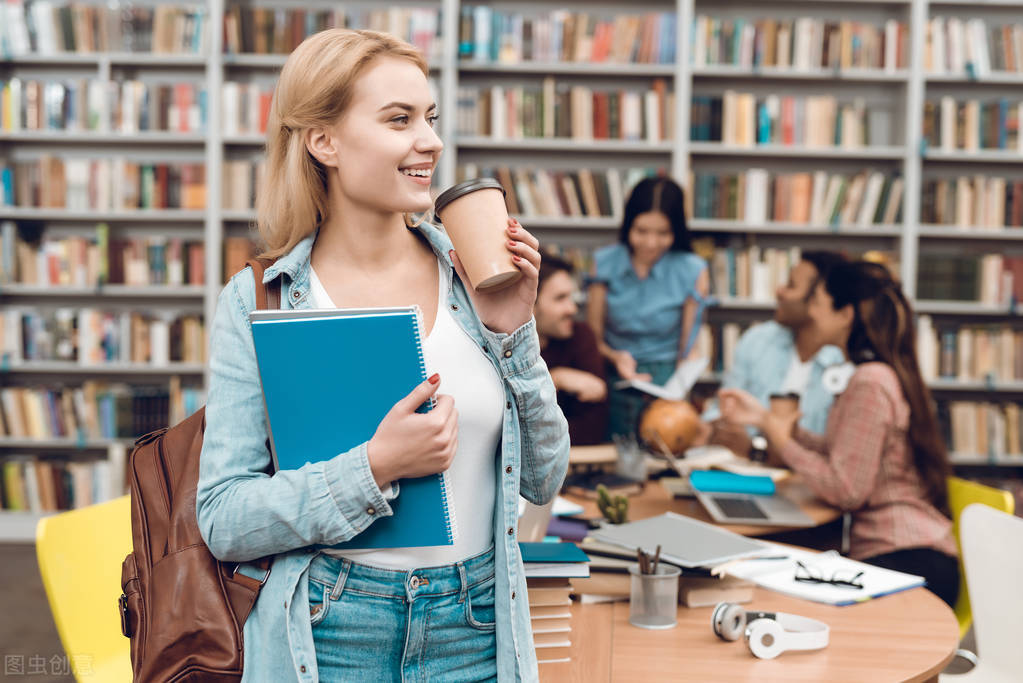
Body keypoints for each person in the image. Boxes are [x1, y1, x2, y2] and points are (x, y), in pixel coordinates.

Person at [195, 29, 570, 682]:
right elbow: (224, 519)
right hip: (329, 624)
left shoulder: (472, 278)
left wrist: (514, 336)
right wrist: (374, 466)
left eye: (428, 118)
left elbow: (544, 479)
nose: (430, 141)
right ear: (324, 141)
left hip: (476, 623)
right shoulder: (265, 299)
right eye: (398, 120)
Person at [718, 261, 959, 607]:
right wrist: (765, 418)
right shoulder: (875, 374)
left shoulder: (870, 381)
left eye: (817, 301)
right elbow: (843, 453)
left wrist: (779, 437)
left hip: (906, 558)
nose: (811, 313)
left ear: (845, 314)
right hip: (904, 554)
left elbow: (846, 489)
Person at [586, 176, 709, 438]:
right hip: (613, 375)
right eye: (641, 231)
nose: (650, 243)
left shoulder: (693, 270)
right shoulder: (604, 262)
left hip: (666, 380)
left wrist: (677, 392)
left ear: (676, 231)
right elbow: (592, 337)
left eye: (662, 233)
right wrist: (615, 357)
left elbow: (688, 347)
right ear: (628, 225)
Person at [701, 251, 849, 454]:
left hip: (805, 478)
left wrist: (754, 449)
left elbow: (830, 449)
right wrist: (718, 426)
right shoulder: (757, 339)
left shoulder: (844, 364)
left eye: (791, 285)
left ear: (818, 300)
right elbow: (720, 409)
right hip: (742, 473)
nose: (779, 291)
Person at [535, 252, 609, 445]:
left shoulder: (581, 336)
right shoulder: (504, 347)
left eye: (571, 297)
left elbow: (592, 429)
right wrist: (554, 380)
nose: (573, 309)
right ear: (529, 303)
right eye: (560, 298)